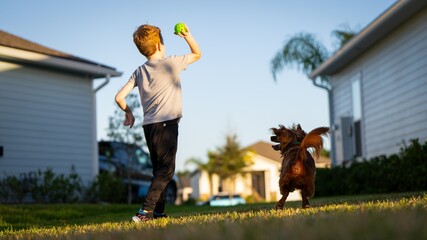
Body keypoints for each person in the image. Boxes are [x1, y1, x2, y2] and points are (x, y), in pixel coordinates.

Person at [115, 23, 201, 222]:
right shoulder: (171, 63)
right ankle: (145, 211)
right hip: (167, 124)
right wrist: (187, 35)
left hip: (150, 127)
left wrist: (128, 112)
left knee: (158, 171)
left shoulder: (139, 71)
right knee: (167, 170)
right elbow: (197, 54)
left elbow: (119, 97)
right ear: (159, 45)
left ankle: (158, 212)